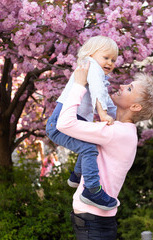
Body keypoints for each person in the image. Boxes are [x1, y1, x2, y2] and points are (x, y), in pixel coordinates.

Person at [56, 62, 153, 239]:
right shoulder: (122, 129)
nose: (122, 86)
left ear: (136, 107)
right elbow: (104, 101)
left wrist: (78, 85)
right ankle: (75, 176)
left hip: (93, 223)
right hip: (95, 221)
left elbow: (63, 124)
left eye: (129, 89)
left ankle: (75, 177)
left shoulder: (116, 132)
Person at [46, 36, 119, 210]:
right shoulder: (90, 65)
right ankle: (92, 190)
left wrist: (117, 118)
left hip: (71, 121)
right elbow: (98, 91)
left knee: (89, 143)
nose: (110, 62)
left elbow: (107, 100)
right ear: (91, 54)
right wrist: (103, 114)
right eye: (106, 57)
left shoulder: (96, 72)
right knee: (88, 148)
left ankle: (76, 176)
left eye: (113, 60)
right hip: (59, 123)